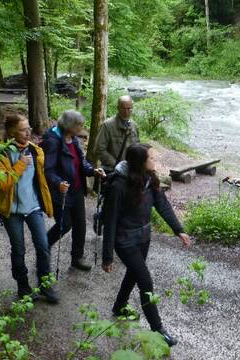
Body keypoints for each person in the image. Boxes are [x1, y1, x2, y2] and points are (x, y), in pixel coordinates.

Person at [101, 144, 191, 347]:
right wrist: (107, 256)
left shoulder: (150, 178)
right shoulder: (119, 186)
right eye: (152, 158)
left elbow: (162, 205)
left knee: (133, 273)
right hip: (124, 240)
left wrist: (179, 230)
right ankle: (157, 329)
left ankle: (119, 306)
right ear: (140, 161)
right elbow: (111, 221)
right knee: (145, 282)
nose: (155, 160)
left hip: (143, 237)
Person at [0, 114, 60, 303]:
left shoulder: (36, 151)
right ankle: (23, 286)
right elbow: (1, 183)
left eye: (29, 128)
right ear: (11, 131)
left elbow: (41, 179)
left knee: (43, 246)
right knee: (19, 249)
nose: (28, 133)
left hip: (33, 206)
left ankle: (45, 284)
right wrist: (20, 165)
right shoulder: (0, 153)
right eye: (22, 129)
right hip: (11, 211)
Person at [42, 110, 105, 271]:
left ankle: (77, 258)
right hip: (61, 192)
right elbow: (48, 170)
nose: (82, 128)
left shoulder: (74, 140)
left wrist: (93, 171)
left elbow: (81, 163)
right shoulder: (53, 142)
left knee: (80, 224)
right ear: (70, 126)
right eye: (79, 125)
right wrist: (58, 183)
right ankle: (43, 247)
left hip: (76, 190)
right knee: (65, 224)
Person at [94, 95, 140, 173]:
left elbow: (138, 148)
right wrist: (116, 164)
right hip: (112, 171)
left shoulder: (134, 126)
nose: (126, 112)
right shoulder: (107, 125)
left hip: (130, 171)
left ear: (132, 108)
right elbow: (99, 149)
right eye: (123, 108)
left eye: (129, 108)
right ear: (118, 108)